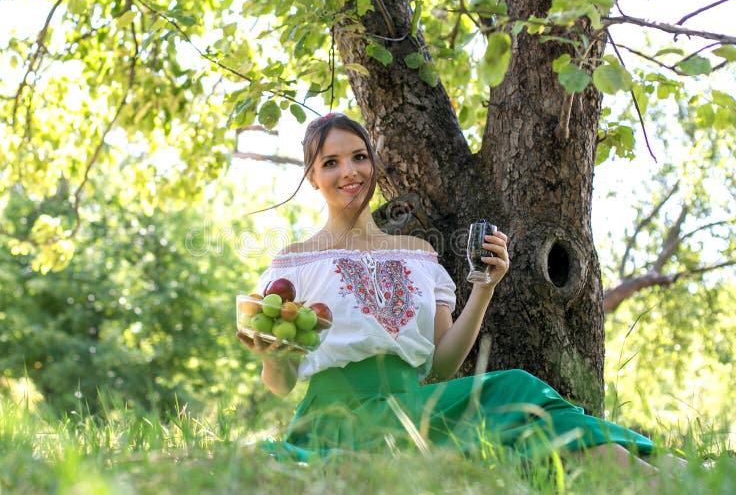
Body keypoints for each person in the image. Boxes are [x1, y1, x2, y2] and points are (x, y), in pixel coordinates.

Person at [237, 113, 679, 477]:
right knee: (518, 389)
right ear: (312, 177)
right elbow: (280, 384)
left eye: (359, 157)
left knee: (531, 413)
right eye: (330, 162)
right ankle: (672, 472)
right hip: (336, 420)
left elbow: (442, 363)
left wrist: (484, 289)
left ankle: (669, 476)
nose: (349, 171)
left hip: (414, 407)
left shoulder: (420, 257)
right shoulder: (292, 264)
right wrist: (274, 357)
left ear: (374, 164)